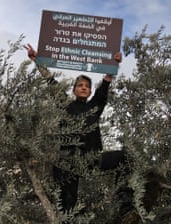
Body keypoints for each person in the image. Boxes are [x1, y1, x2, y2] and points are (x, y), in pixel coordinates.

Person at [24, 44, 133, 214]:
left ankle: (124, 200)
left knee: (126, 156)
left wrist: (114, 65)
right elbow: (51, 82)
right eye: (80, 85)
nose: (83, 87)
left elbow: (104, 86)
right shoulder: (65, 105)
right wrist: (37, 60)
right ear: (74, 90)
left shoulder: (94, 107)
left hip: (92, 160)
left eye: (87, 86)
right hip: (69, 162)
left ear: (89, 91)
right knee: (67, 205)